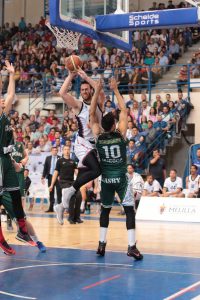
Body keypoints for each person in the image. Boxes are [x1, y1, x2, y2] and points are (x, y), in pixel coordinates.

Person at [90, 78, 143, 260]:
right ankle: (131, 247)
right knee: (129, 211)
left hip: (105, 179)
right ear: (113, 125)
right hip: (121, 178)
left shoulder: (98, 135)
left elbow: (91, 113)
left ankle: (101, 244)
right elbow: (124, 111)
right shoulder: (120, 134)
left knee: (105, 210)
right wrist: (116, 90)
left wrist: (97, 90)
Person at [0, 61, 34, 255]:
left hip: (6, 162)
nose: (4, 100)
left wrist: (11, 75)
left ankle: (23, 231)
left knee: (15, 196)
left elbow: (11, 95)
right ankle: (2, 240)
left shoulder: (5, 115)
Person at [58, 68, 103, 213]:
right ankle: (69, 191)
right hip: (83, 144)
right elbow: (62, 93)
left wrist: (85, 76)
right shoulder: (78, 105)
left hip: (95, 145)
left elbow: (99, 89)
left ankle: (62, 206)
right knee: (96, 170)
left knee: (86, 175)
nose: (84, 91)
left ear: (91, 90)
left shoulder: (99, 102)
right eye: (82, 89)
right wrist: (71, 75)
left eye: (86, 89)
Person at [51, 146, 82, 225]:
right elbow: (55, 173)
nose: (67, 151)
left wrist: (81, 178)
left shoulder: (73, 161)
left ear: (70, 151)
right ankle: (70, 218)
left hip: (72, 182)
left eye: (68, 149)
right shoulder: (60, 161)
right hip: (63, 182)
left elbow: (76, 172)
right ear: (63, 151)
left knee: (79, 196)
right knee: (71, 197)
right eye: (65, 149)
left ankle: (77, 217)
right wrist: (51, 185)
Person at [42, 147, 61, 212]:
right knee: (51, 193)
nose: (55, 151)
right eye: (53, 150)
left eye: (56, 150)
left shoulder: (60, 158)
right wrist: (43, 176)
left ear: (57, 151)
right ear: (51, 151)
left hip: (58, 177)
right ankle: (51, 208)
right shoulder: (48, 158)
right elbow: (45, 168)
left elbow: (62, 168)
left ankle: (59, 208)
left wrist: (60, 175)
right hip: (50, 177)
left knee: (59, 193)